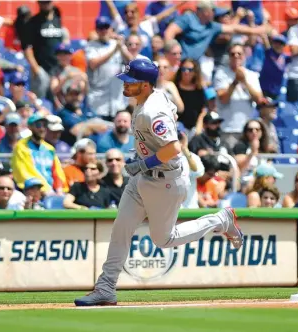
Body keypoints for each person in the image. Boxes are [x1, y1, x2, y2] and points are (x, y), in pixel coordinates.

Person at [74, 58, 242, 307]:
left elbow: (174, 147)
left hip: (165, 180)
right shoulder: (154, 97)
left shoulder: (152, 111)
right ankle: (106, 287)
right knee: (121, 228)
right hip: (143, 178)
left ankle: (220, 220)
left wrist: (144, 162)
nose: (125, 85)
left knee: (164, 239)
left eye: (130, 82)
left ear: (144, 85)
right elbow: (173, 112)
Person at [164, 0, 267, 61]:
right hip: (177, 63)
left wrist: (257, 30)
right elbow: (169, 32)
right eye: (213, 10)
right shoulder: (188, 18)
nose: (214, 13)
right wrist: (172, 53)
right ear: (205, 11)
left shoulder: (212, 26)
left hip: (193, 66)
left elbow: (234, 28)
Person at [214, 43, 263, 149]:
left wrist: (244, 81)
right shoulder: (221, 74)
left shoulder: (252, 75)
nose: (236, 56)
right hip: (228, 129)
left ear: (244, 56)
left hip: (248, 131)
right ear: (229, 57)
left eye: (239, 54)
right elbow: (223, 99)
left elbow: (259, 99)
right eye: (233, 54)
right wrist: (235, 81)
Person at [11, 113, 68, 195]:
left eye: (45, 125)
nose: (42, 129)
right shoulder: (21, 147)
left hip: (52, 192)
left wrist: (59, 189)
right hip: (31, 191)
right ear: (30, 127)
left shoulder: (49, 149)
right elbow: (24, 173)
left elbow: (57, 171)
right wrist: (45, 189)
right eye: (38, 125)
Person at [22, 0, 63, 98]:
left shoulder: (58, 20)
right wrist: (36, 68)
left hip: (57, 68)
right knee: (40, 101)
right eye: (43, 2)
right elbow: (27, 48)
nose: (45, 4)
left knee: (58, 100)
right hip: (41, 68)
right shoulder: (33, 22)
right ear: (38, 3)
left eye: (48, 2)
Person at [174, 58, 207, 133]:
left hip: (194, 129)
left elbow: (203, 110)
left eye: (190, 70)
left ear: (195, 72)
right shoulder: (174, 87)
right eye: (183, 69)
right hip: (176, 129)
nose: (186, 72)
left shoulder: (200, 89)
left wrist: (199, 126)